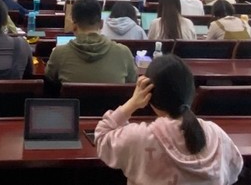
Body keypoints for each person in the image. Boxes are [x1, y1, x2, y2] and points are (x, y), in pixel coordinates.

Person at [95, 55, 243, 185]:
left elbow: (102, 136)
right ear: (191, 92)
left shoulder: (139, 138)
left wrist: (132, 103)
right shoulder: (216, 134)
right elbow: (234, 170)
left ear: (149, 96)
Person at [45, 0, 136, 84]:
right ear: (101, 24)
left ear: (73, 26)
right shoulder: (124, 53)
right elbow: (133, 82)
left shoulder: (59, 53)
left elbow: (49, 79)